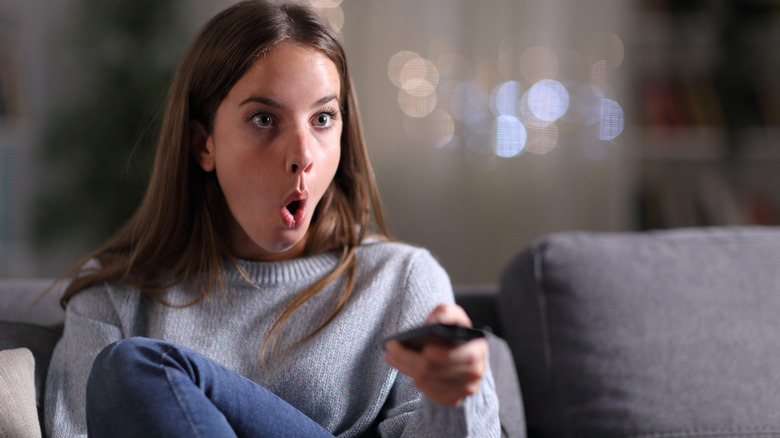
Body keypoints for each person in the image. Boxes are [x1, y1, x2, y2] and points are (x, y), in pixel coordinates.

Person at [44, 1, 500, 437]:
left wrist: (456, 401)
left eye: (323, 118)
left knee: (136, 366)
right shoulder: (112, 300)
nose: (303, 154)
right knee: (131, 368)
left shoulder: (401, 281)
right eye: (264, 119)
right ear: (204, 144)